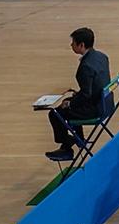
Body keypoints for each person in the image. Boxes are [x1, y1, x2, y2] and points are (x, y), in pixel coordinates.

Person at [46, 26, 111, 162]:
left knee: (55, 114)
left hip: (95, 109)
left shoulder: (85, 66)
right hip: (106, 102)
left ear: (81, 45)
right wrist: (76, 96)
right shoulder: (101, 56)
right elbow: (96, 85)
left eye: (73, 43)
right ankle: (78, 139)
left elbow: (86, 95)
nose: (71, 45)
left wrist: (70, 103)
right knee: (72, 103)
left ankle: (67, 147)